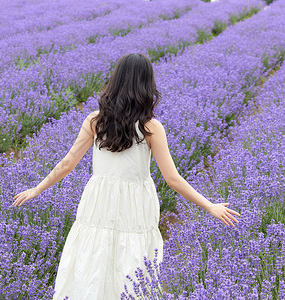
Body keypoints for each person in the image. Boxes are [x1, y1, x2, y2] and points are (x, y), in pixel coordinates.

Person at [12, 53, 240, 299]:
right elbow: (172, 179)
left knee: (94, 258)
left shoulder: (95, 121)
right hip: (135, 202)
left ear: (115, 81)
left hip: (99, 198)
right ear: (146, 86)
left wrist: (38, 188)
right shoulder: (151, 127)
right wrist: (210, 206)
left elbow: (67, 163)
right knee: (132, 262)